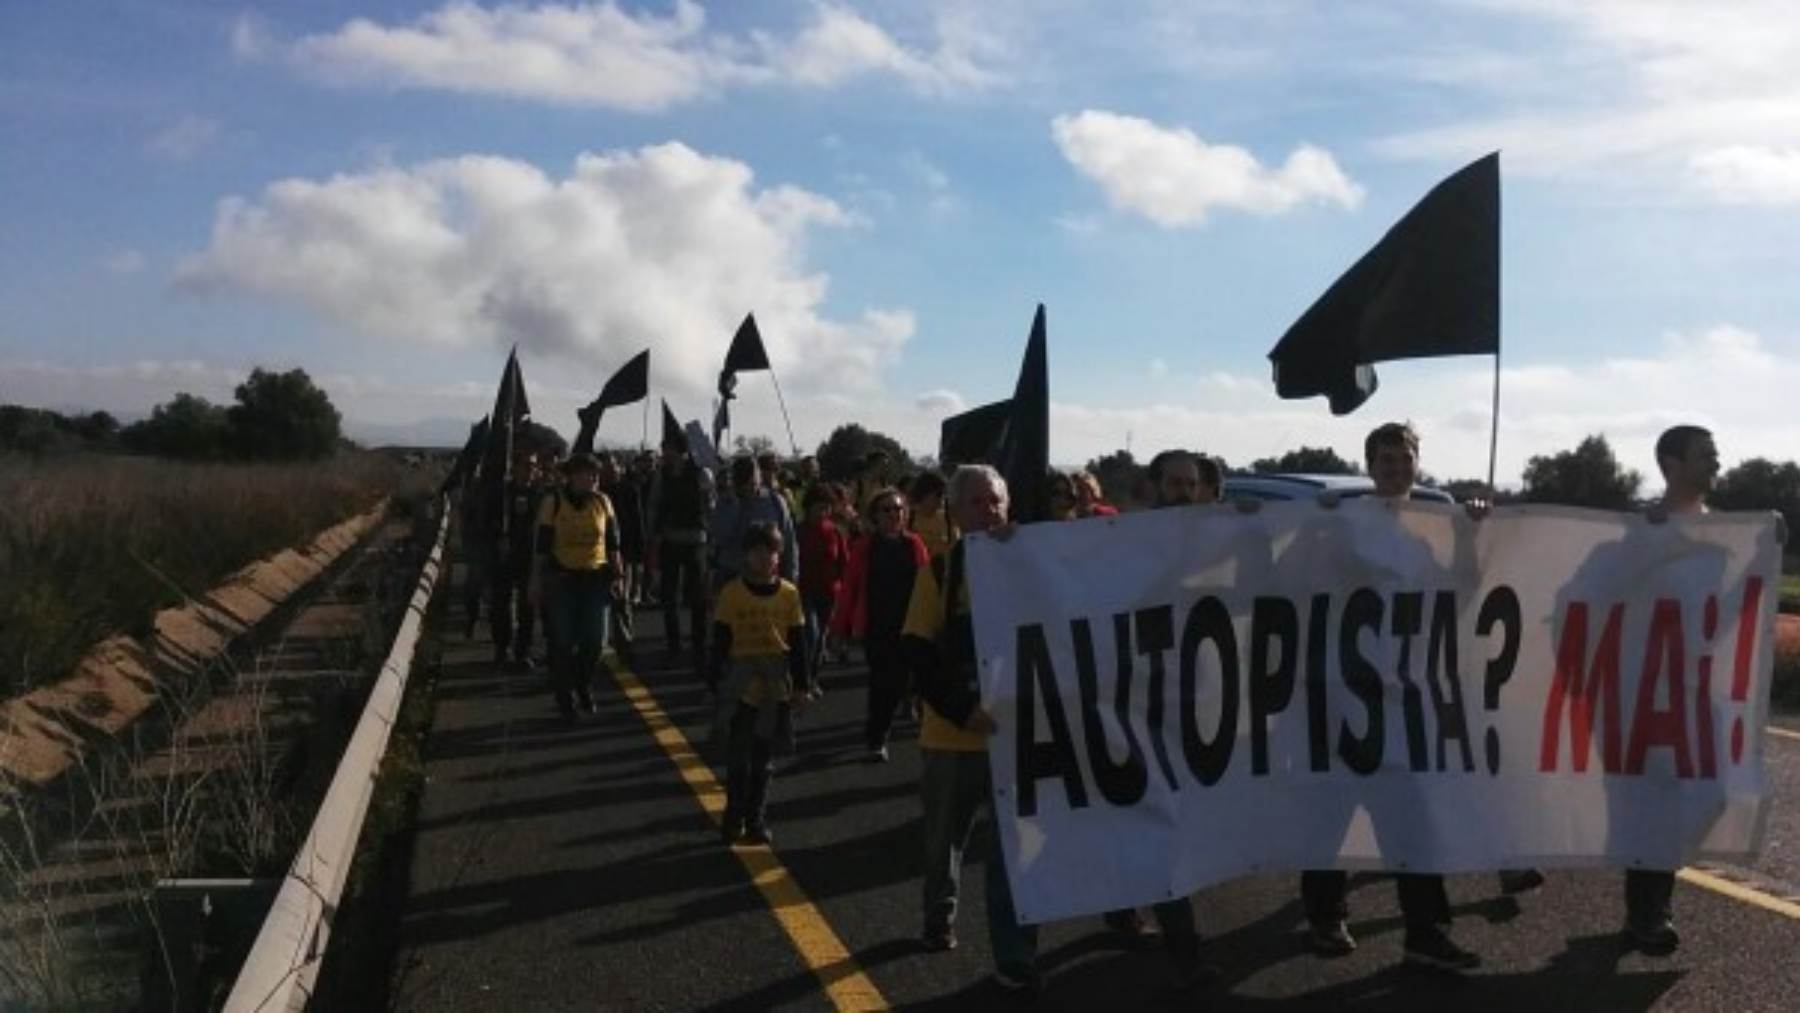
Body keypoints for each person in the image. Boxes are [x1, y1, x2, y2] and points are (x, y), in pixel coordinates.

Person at [1299, 421, 1481, 970]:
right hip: (1345, 693)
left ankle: (1425, 932)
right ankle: (1325, 916)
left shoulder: (1433, 525)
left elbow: (1464, 588)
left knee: (1414, 819)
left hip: (1409, 698)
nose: (1397, 469)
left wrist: (1472, 531)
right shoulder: (1345, 522)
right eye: (1385, 460)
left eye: (1404, 459)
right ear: (1369, 465)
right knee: (1332, 813)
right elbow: (1301, 580)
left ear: (1417, 462)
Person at [1616, 423, 1720, 954]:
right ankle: (1648, 914)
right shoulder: (1641, 529)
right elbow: (1593, 591)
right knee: (1652, 804)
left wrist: (1770, 539)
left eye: (1716, 453)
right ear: (1670, 465)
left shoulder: (1727, 531)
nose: (1716, 462)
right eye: (1706, 455)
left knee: (1699, 799)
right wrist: (1649, 544)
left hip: (1701, 694)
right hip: (1645, 694)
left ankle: (1647, 903)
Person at [707, 521, 810, 845]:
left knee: (764, 760)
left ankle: (756, 819)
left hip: (773, 687)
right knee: (738, 756)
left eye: (773, 551)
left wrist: (802, 686)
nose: (767, 558)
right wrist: (715, 682)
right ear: (747, 555)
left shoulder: (789, 594)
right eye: (759, 552)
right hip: (741, 685)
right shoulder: (732, 594)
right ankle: (733, 816)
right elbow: (720, 641)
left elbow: (798, 642)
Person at [833, 486, 928, 762]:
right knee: (881, 683)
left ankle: (892, 722)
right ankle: (877, 738)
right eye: (886, 509)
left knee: (903, 682)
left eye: (898, 509)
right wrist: (840, 628)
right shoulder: (865, 547)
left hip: (909, 624)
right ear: (874, 515)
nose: (894, 514)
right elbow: (850, 588)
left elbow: (925, 584)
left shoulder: (914, 544)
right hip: (877, 626)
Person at [529, 453, 621, 721]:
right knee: (563, 641)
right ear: (571, 476)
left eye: (595, 474)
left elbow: (614, 543)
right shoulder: (553, 502)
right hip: (563, 581)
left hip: (595, 579)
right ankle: (564, 696)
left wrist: (618, 576)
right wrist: (535, 580)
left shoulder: (603, 502)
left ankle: (583, 682)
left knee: (594, 641)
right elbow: (542, 547)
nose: (593, 478)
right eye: (586, 473)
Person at [650, 438, 711, 667]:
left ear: (681, 451)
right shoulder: (661, 475)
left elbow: (709, 504)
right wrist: (653, 534)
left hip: (696, 540)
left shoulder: (701, 474)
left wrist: (710, 534)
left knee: (697, 598)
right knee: (668, 597)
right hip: (669, 539)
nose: (665, 453)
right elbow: (654, 505)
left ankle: (698, 646)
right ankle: (674, 645)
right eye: (664, 449)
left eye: (669, 449)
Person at [492, 447, 546, 669]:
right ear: (514, 467)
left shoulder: (541, 494)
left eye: (533, 466)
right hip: (504, 558)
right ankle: (502, 648)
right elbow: (489, 519)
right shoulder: (502, 493)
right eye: (525, 465)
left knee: (527, 608)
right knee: (502, 606)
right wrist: (499, 536)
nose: (530, 470)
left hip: (530, 558)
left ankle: (522, 652)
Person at [710, 456, 798, 589]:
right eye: (744, 484)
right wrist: (733, 506)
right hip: (732, 575)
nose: (749, 489)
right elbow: (720, 537)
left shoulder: (776, 501)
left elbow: (789, 541)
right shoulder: (726, 502)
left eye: (753, 483)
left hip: (767, 576)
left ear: (759, 477)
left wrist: (792, 574)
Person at [796, 484, 849, 688]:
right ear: (808, 507)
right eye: (819, 507)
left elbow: (844, 562)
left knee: (820, 638)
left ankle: (812, 678)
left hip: (829, 591)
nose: (823, 512)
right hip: (804, 590)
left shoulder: (835, 531)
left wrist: (845, 592)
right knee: (812, 632)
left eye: (827, 508)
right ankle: (803, 678)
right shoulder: (798, 531)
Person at [599, 453, 645, 670]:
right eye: (606, 469)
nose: (610, 472)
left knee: (621, 600)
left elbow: (636, 521)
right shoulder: (596, 494)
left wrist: (637, 553)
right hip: (597, 554)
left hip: (622, 552)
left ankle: (625, 644)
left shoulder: (628, 490)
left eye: (613, 468)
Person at [908, 471, 955, 560]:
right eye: (939, 494)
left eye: (944, 494)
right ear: (924, 493)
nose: (942, 498)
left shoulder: (948, 519)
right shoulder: (907, 519)